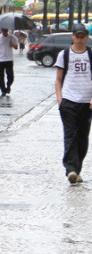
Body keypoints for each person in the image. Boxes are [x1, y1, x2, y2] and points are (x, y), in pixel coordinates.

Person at [55, 23, 92, 184]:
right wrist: (60, 99)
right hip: (69, 101)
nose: (79, 39)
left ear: (87, 37)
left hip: (87, 102)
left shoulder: (91, 54)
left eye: (82, 36)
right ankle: (70, 169)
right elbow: (58, 79)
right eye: (77, 36)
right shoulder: (64, 55)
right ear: (72, 37)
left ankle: (77, 170)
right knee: (70, 135)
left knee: (82, 137)